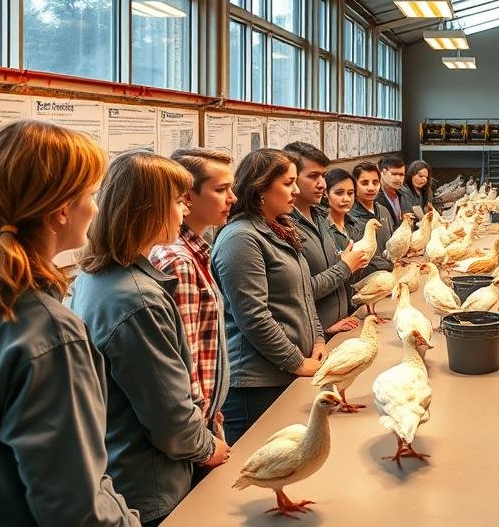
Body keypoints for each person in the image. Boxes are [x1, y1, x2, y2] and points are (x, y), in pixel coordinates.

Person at [0, 121, 139, 527]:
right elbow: (75, 509)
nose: (96, 207)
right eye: (91, 194)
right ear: (61, 211)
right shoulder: (49, 332)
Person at [71, 151, 229, 527]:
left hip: (128, 468)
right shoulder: (136, 298)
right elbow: (168, 412)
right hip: (151, 485)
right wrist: (207, 446)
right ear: (151, 209)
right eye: (177, 201)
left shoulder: (98, 277)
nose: (183, 211)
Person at [211, 149, 326, 445]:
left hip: (285, 371)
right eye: (288, 183)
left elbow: (302, 293)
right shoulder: (241, 238)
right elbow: (253, 316)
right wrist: (297, 362)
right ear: (261, 187)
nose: (296, 190)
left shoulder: (281, 228)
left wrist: (318, 340)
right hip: (256, 383)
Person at [150, 148, 236, 480]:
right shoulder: (178, 261)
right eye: (220, 189)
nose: (232, 197)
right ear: (187, 198)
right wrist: (203, 431)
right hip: (195, 435)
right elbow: (187, 359)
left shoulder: (197, 251)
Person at [284, 142, 369, 337]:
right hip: (314, 340)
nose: (322, 183)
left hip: (338, 329)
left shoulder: (321, 217)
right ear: (292, 179)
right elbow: (299, 293)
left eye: (323, 175)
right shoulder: (287, 227)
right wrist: (345, 267)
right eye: (313, 176)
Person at [350, 161, 396, 279]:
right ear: (354, 185)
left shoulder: (384, 211)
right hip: (362, 283)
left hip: (388, 279)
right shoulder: (349, 218)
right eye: (364, 183)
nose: (371, 188)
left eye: (375, 183)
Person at [376, 154, 410, 223]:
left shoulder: (404, 192)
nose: (398, 178)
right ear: (383, 172)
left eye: (401, 174)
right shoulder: (374, 196)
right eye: (394, 174)